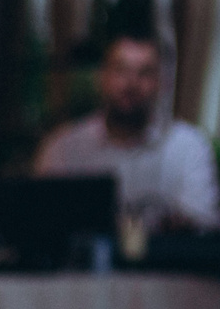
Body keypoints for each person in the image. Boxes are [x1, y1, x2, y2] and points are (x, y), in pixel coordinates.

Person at [37, 30, 220, 234]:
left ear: (162, 82)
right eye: (121, 70)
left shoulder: (189, 146)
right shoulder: (62, 147)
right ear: (102, 76)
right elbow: (39, 221)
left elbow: (205, 225)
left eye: (144, 72)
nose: (131, 83)